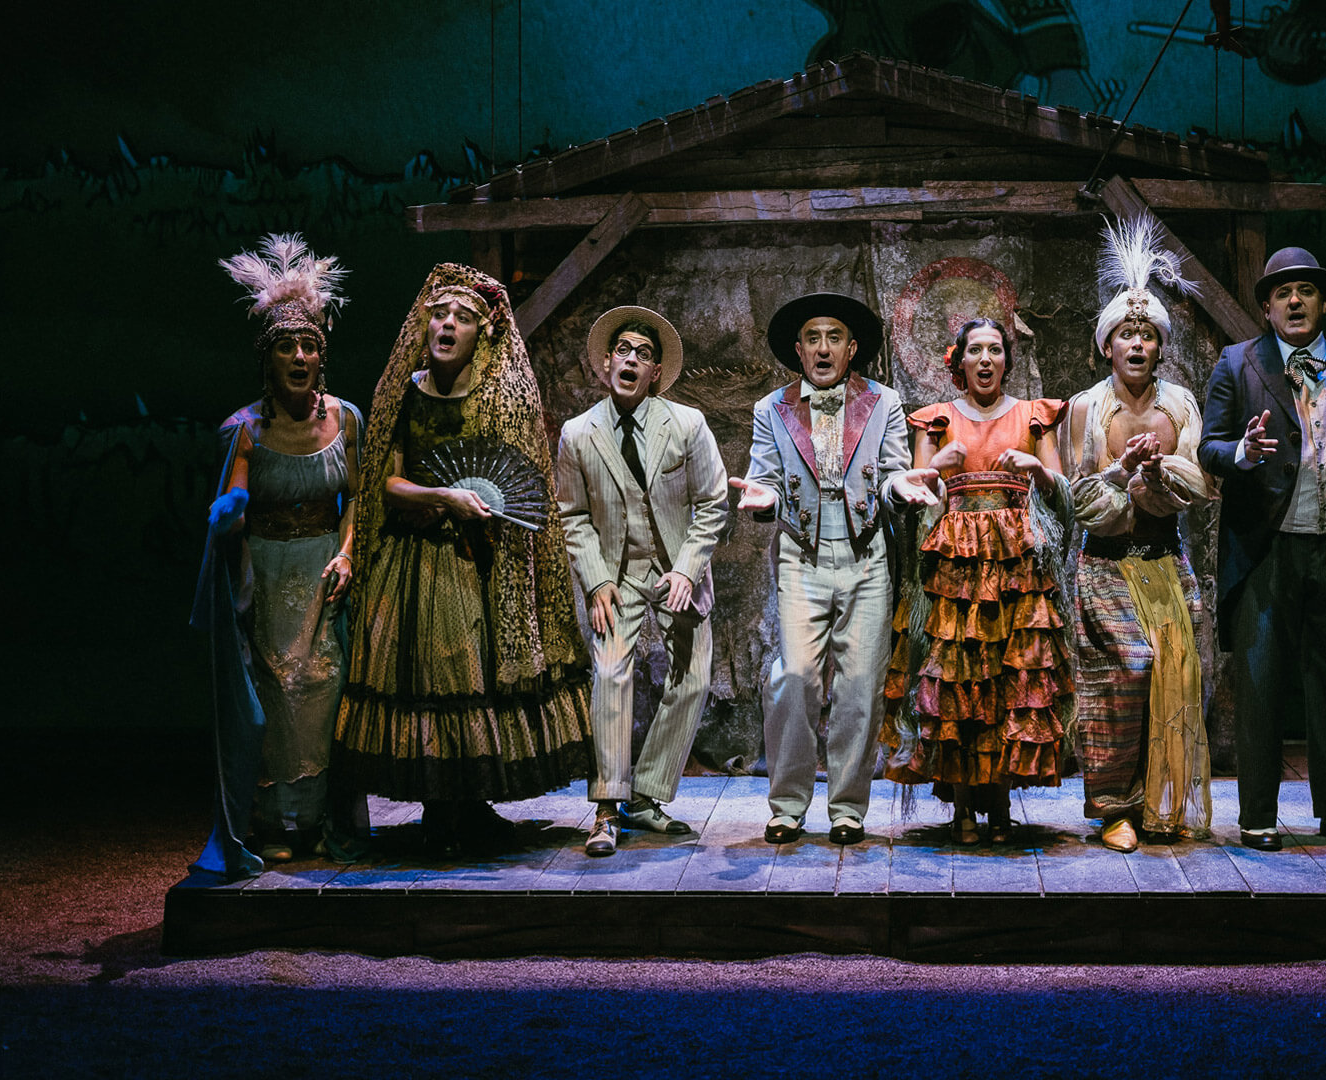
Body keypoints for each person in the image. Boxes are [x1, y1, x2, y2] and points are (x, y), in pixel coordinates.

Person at [333, 263, 593, 857]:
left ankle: (470, 805)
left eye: (462, 318)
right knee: (429, 673)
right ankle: (439, 809)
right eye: (440, 314)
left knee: (476, 672)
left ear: (483, 334)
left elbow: (519, 481)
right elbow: (385, 481)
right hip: (416, 558)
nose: (447, 325)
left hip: (480, 556)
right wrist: (441, 497)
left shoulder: (497, 400)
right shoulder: (406, 393)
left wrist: (481, 511)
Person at [1200, 246, 1326, 853]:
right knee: (1261, 685)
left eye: (1305, 290)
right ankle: (1259, 815)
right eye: (1282, 293)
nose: (1294, 301)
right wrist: (1242, 453)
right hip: (1268, 548)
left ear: (1324, 303)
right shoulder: (1238, 363)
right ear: (1266, 307)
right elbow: (1209, 446)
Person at [729, 293, 936, 845]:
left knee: (860, 685)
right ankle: (787, 805)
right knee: (796, 677)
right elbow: (765, 476)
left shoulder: (883, 402)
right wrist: (763, 498)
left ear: (852, 348)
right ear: (799, 350)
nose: (823, 348)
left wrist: (901, 487)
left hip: (865, 556)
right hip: (802, 556)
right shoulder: (772, 408)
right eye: (813, 338)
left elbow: (892, 471)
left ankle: (847, 807)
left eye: (834, 337)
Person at [192, 234, 365, 880]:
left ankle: (315, 820)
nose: (299, 356)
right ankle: (267, 823)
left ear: (323, 355)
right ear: (267, 358)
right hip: (265, 572)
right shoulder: (245, 428)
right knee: (269, 691)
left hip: (322, 568)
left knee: (322, 689)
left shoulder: (345, 419)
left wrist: (347, 554)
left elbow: (358, 498)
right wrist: (230, 510)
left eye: (309, 345)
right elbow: (236, 492)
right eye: (286, 346)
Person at [881, 318, 1072, 844]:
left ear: (1007, 360)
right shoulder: (935, 420)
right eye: (975, 350)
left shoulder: (1033, 416)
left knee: (1009, 680)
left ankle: (1002, 804)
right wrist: (936, 466)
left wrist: (1035, 468)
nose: (985, 359)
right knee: (961, 680)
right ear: (959, 361)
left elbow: (1061, 492)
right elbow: (919, 500)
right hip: (957, 569)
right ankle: (964, 806)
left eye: (994, 350)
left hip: (1015, 569)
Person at [1062, 215, 1217, 853]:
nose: (1136, 344)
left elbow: (1195, 484)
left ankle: (1159, 803)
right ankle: (1112, 807)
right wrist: (1122, 477)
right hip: (1105, 565)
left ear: (1159, 347)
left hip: (1163, 561)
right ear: (1107, 346)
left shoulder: (1179, 405)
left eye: (1147, 334)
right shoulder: (1086, 407)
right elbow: (1081, 499)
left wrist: (1156, 476)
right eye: (1126, 334)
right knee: (1121, 679)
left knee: (1173, 674)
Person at [555, 306, 729, 857]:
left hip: (676, 570)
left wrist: (686, 569)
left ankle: (647, 794)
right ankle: (608, 807)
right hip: (617, 576)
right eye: (624, 350)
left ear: (655, 373)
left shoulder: (686, 424)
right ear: (608, 362)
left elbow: (713, 502)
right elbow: (572, 516)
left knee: (692, 679)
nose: (632, 360)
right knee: (610, 674)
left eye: (644, 354)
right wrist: (595, 581)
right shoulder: (578, 434)